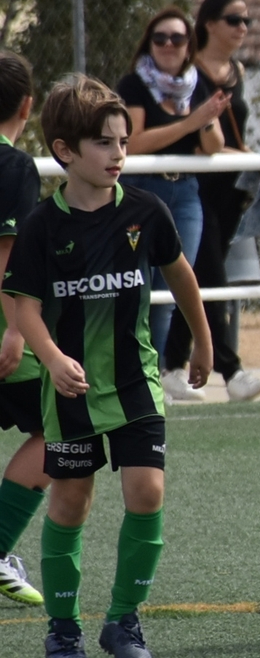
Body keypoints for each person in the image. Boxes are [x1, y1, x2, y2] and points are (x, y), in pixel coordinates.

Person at [4, 75, 213, 658]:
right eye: (104, 143)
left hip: (135, 382)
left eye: (123, 142)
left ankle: (124, 619)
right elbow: (22, 304)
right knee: (71, 501)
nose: (119, 153)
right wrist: (50, 357)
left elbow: (180, 275)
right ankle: (63, 629)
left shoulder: (146, 211)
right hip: (70, 390)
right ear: (65, 150)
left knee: (148, 491)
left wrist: (202, 342)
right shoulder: (43, 226)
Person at [159, 0, 260, 403]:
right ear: (208, 24)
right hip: (195, 187)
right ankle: (232, 371)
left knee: (201, 279)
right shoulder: (188, 72)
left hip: (230, 189)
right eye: (234, 19)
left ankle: (172, 365)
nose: (243, 27)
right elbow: (184, 131)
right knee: (211, 277)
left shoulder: (236, 71)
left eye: (246, 20)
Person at [116, 5, 228, 399]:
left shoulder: (196, 84)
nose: (168, 45)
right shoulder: (134, 85)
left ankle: (160, 372)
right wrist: (189, 122)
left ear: (189, 44)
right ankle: (133, 369)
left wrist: (207, 118)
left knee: (174, 285)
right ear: (149, 42)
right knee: (139, 285)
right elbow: (133, 143)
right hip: (143, 191)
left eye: (177, 38)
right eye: (160, 38)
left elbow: (212, 146)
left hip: (186, 195)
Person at [0, 50, 51, 607]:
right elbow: (7, 253)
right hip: (7, 330)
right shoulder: (13, 166)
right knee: (62, 432)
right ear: (27, 106)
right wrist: (16, 330)